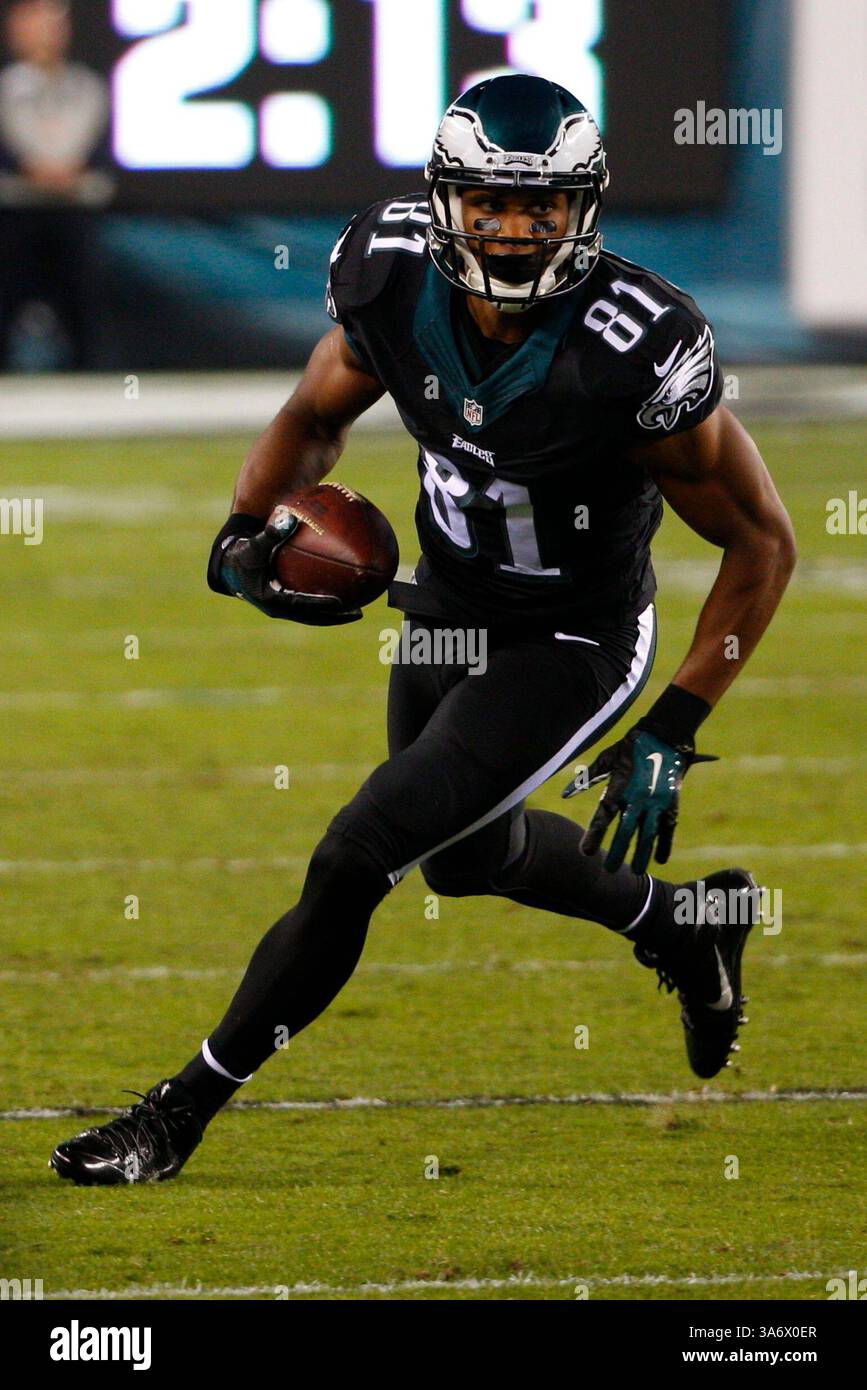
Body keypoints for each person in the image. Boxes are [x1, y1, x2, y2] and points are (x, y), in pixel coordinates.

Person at [50, 75, 796, 1186]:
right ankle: (683, 922)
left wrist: (675, 723)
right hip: (448, 607)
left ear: (581, 211)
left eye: (539, 206)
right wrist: (248, 529)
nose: (512, 227)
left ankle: (175, 1114)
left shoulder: (636, 347)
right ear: (447, 197)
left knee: (359, 851)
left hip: (576, 637)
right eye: (490, 200)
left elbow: (764, 544)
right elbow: (313, 416)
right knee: (464, 858)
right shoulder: (391, 275)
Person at [0, 0, 111, 368]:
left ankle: (91, 384)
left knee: (81, 304)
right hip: (16, 209)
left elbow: (99, 147)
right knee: (8, 298)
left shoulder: (86, 85)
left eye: (53, 23)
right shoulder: (7, 89)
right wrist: (26, 167)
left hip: (72, 207)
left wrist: (71, 170)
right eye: (35, 23)